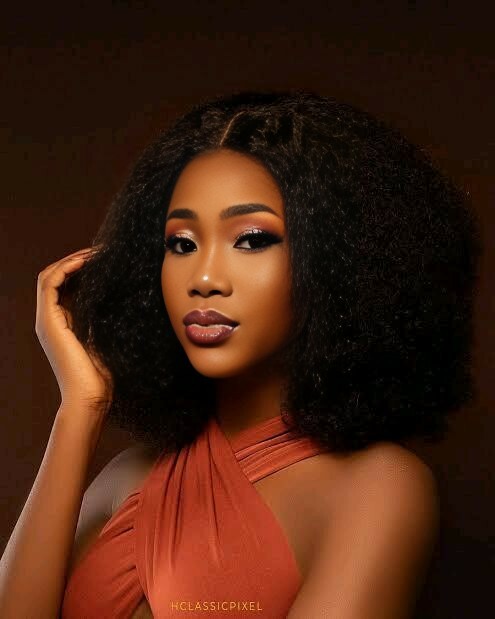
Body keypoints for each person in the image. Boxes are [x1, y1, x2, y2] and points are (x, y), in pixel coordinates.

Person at [0, 90, 483, 618]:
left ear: (338, 261)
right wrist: (80, 408)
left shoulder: (378, 487)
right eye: (182, 244)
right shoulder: (126, 477)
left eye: (251, 240)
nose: (204, 278)